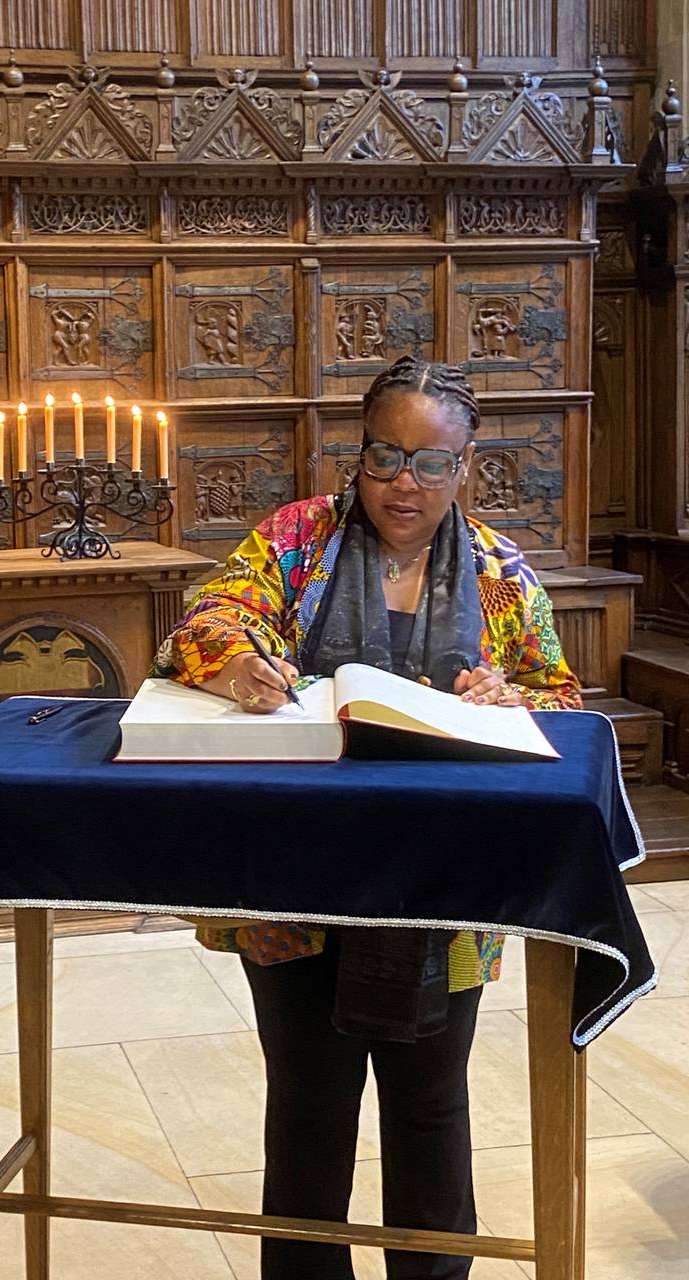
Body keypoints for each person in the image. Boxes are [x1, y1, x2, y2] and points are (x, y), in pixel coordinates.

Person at [151, 356, 581, 1280]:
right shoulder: (298, 539)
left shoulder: (501, 572)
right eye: (384, 457)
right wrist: (235, 662)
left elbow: (561, 697)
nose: (403, 484)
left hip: (445, 885)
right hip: (294, 875)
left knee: (431, 1103)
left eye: (431, 464)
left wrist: (512, 698)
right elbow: (203, 621)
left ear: (465, 467)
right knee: (308, 1103)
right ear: (357, 454)